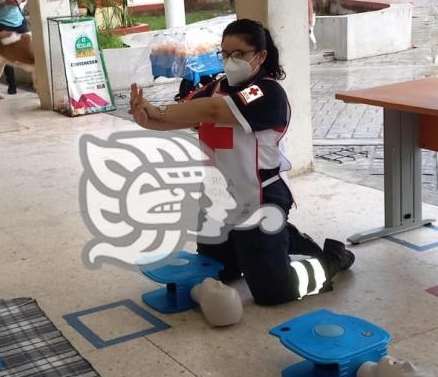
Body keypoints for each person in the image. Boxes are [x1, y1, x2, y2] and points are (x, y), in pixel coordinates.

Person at [128, 19, 355, 306]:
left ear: (259, 56)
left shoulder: (265, 91)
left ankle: (330, 259)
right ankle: (281, 239)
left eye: (238, 54)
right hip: (218, 201)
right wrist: (146, 119)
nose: (229, 61)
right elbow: (186, 115)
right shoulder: (217, 86)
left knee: (273, 292)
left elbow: (211, 111)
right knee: (222, 272)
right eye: (224, 54)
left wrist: (157, 111)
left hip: (259, 200)